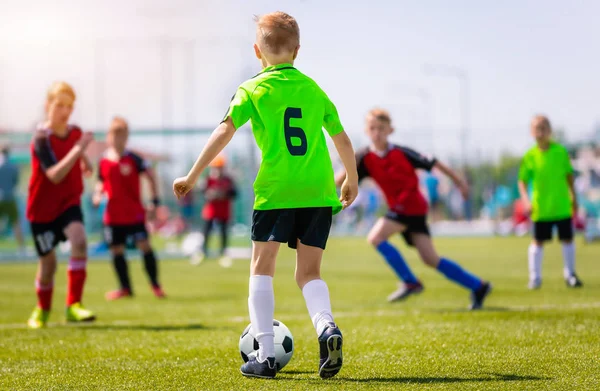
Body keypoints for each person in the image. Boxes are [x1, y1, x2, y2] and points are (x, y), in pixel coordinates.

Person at [173, 11, 358, 380]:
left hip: (276, 192)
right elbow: (341, 137)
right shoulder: (313, 89)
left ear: (257, 51)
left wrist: (193, 174)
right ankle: (326, 329)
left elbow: (224, 132)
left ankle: (265, 354)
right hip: (319, 191)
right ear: (297, 51)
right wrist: (351, 178)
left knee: (262, 268)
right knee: (309, 273)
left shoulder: (252, 89)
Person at [336, 108, 491, 309]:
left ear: (390, 130)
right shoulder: (364, 157)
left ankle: (410, 281)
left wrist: (460, 182)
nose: (377, 133)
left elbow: (434, 162)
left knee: (375, 237)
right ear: (367, 130)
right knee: (430, 259)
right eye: (373, 128)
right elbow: (341, 178)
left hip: (412, 205)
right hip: (406, 211)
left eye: (381, 128)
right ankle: (478, 286)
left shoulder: (401, 152)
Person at [26, 81, 96, 329]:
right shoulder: (41, 138)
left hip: (68, 203)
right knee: (49, 266)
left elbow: (79, 152)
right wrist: (79, 150)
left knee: (79, 241)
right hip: (42, 211)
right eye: (59, 105)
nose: (65, 111)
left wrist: (85, 160)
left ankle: (73, 305)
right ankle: (42, 310)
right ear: (48, 106)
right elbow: (54, 174)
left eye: (69, 106)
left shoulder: (75, 132)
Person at [93, 117, 166, 300]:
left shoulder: (134, 158)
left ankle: (155, 285)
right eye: (116, 135)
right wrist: (97, 194)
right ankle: (125, 288)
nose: (119, 139)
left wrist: (154, 201)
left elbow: (151, 176)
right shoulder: (104, 161)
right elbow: (100, 181)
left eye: (123, 135)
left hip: (134, 214)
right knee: (117, 250)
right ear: (109, 137)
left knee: (145, 246)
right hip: (113, 215)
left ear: (127, 137)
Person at [518, 115, 582, 289]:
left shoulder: (560, 152)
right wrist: (526, 200)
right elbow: (522, 181)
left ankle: (570, 275)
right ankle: (535, 278)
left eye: (543, 128)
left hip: (561, 206)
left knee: (567, 239)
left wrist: (574, 198)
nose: (540, 132)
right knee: (537, 242)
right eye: (537, 129)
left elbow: (569, 177)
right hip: (541, 208)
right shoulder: (529, 156)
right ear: (532, 132)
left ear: (550, 130)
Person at [192, 154, 237, 265]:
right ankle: (203, 252)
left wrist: (223, 194)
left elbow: (234, 194)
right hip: (211, 210)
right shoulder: (208, 179)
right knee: (206, 232)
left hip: (224, 210)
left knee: (223, 232)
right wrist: (210, 194)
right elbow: (202, 192)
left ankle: (223, 253)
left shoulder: (228, 180)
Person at [0, 145, 25, 252]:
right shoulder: (13, 166)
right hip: (10, 197)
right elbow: (15, 182)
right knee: (16, 222)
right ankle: (21, 247)